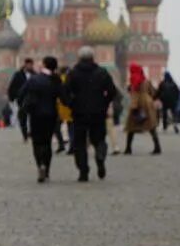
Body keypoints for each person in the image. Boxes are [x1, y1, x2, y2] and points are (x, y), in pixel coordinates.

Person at [62, 46, 118, 182]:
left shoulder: (73, 73)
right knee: (99, 139)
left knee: (79, 142)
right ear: (93, 58)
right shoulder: (102, 72)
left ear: (79, 58)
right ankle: (100, 158)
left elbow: (64, 92)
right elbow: (112, 91)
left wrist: (71, 104)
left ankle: (83, 171)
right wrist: (104, 103)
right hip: (98, 112)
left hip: (79, 112)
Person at [19, 56, 60, 183]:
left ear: (44, 65)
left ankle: (40, 165)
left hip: (36, 115)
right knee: (47, 142)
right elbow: (64, 96)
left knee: (37, 142)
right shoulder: (56, 80)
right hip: (51, 115)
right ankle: (46, 169)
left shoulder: (34, 79)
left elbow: (21, 93)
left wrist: (23, 107)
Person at [123, 63, 161, 155]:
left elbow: (134, 94)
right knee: (151, 126)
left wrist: (134, 105)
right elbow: (154, 92)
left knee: (131, 127)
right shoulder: (146, 81)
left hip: (137, 104)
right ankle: (157, 147)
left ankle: (128, 148)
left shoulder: (133, 80)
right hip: (148, 104)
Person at [8, 57, 34, 142]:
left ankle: (31, 133)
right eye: (29, 64)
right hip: (22, 99)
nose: (30, 66)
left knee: (33, 117)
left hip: (33, 100)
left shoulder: (35, 74)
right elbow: (12, 87)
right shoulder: (18, 74)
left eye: (31, 65)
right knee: (23, 118)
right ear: (25, 65)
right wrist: (12, 97)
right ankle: (25, 134)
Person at [55, 66, 72, 153]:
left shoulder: (58, 80)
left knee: (56, 127)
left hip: (60, 106)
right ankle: (72, 146)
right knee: (71, 127)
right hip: (69, 106)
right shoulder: (71, 79)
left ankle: (61, 144)